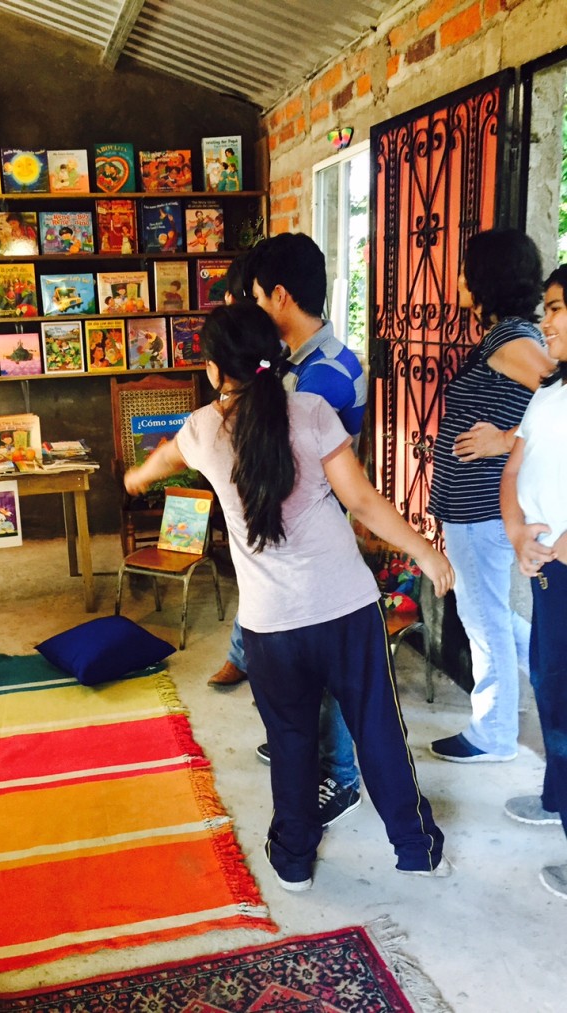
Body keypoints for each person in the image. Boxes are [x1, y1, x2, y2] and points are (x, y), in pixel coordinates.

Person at [125, 301, 454, 888]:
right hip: (346, 610)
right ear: (271, 354)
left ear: (212, 369)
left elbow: (165, 458)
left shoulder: (202, 430)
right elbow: (363, 502)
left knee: (292, 740)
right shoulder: (312, 412)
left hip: (270, 625)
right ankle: (416, 850)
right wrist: (425, 551)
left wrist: (137, 477)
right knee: (378, 729)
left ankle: (296, 861)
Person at [209, 233, 368, 831]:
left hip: (311, 543)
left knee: (320, 669)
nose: (250, 308)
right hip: (290, 539)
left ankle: (341, 776)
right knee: (295, 664)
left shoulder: (318, 378)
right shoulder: (297, 366)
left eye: (253, 297)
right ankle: (301, 743)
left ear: (280, 296)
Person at [428, 229, 554, 763]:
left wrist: (504, 440)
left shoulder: (510, 342)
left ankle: (494, 734)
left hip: (480, 512)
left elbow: (562, 395)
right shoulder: (507, 336)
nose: (457, 279)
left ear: (486, 279)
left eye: (466, 269)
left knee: (483, 622)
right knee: (490, 614)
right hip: (475, 510)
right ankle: (553, 670)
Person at [500, 264, 567, 900]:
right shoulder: (548, 394)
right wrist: (520, 535)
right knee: (549, 682)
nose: (543, 321)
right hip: (550, 568)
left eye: (554, 308)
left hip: (562, 562)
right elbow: (515, 467)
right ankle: (558, 797)